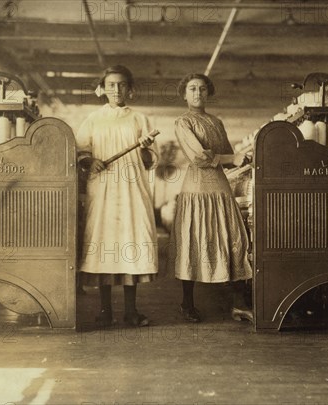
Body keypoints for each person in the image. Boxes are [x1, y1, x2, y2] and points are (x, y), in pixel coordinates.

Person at [75, 65, 157, 327]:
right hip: (103, 189)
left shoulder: (140, 119)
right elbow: (81, 152)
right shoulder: (92, 119)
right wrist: (90, 161)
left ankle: (132, 311)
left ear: (130, 90)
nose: (116, 89)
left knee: (129, 242)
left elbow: (149, 161)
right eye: (111, 84)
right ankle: (104, 311)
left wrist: (144, 149)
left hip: (132, 189)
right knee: (104, 243)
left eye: (122, 84)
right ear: (102, 88)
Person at [169, 73, 253, 323]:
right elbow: (199, 157)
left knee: (233, 240)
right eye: (192, 89)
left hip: (221, 190)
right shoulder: (183, 122)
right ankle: (187, 303)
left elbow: (227, 156)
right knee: (194, 243)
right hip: (197, 191)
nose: (198, 93)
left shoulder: (216, 122)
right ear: (184, 94)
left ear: (208, 93)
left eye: (202, 89)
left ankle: (239, 304)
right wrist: (232, 158)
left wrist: (245, 156)